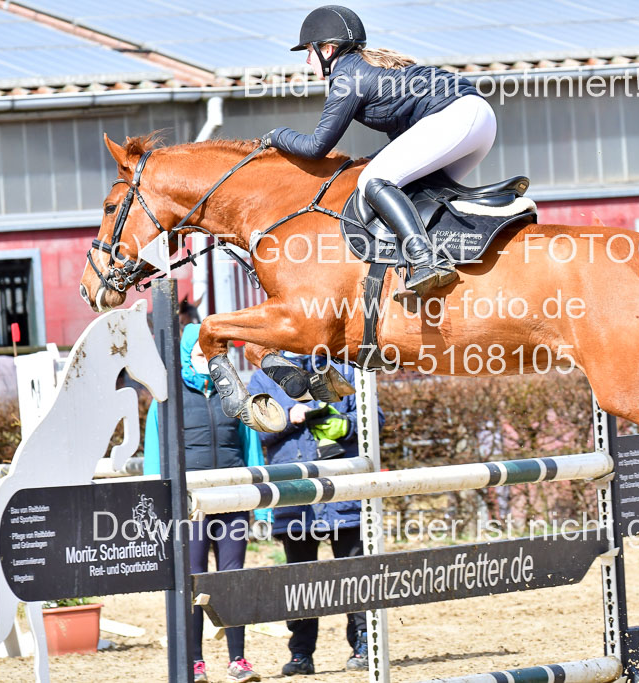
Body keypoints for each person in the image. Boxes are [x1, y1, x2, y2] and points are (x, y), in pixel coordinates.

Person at [261, 5, 495, 298]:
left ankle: (425, 260)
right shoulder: (367, 67)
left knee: (372, 181)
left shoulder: (347, 78)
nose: (308, 61)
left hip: (456, 118)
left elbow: (316, 147)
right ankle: (435, 265)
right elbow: (402, 142)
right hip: (478, 121)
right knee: (415, 191)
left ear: (329, 50)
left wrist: (275, 135)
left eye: (309, 51)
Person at [144, 323, 267, 683]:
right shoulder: (166, 397)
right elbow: (156, 454)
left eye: (213, 353)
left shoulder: (235, 391)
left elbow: (252, 449)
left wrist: (261, 505)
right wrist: (158, 508)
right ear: (186, 354)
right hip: (190, 505)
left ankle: (239, 660)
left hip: (233, 501)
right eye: (200, 352)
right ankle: (195, 662)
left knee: (233, 581)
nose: (207, 359)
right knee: (194, 583)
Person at [247, 354, 384, 676]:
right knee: (300, 581)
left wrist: (346, 425)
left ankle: (364, 645)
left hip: (343, 491)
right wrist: (289, 417)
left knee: (356, 574)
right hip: (294, 495)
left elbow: (375, 418)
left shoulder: (346, 367)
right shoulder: (264, 378)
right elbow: (256, 432)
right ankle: (300, 654)